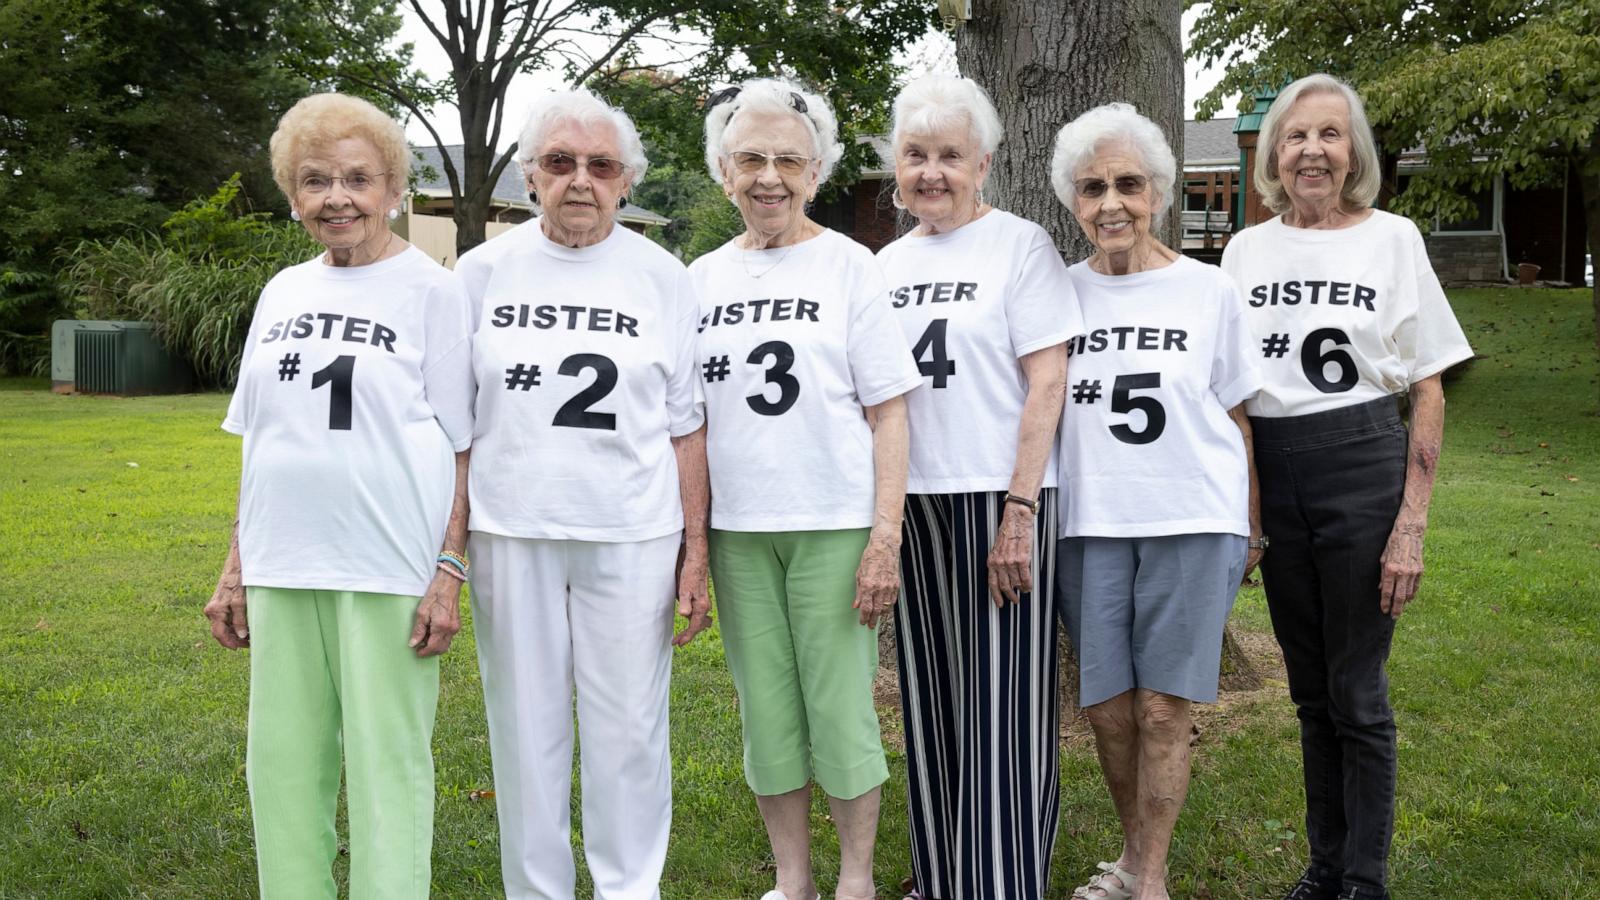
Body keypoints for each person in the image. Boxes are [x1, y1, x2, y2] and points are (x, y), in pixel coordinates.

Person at [203, 92, 475, 898]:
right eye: (315, 180)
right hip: (285, 560)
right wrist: (234, 567)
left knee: (388, 764)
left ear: (392, 187)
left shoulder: (433, 291)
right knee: (282, 765)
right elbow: (264, 445)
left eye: (358, 179)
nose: (337, 198)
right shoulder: (282, 292)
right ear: (292, 194)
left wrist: (449, 568)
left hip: (389, 562)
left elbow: (466, 450)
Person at [1220, 74, 1473, 900]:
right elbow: (1236, 402)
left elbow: (1429, 386)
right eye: (1295, 137)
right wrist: (1250, 518)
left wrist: (1411, 526)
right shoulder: (1244, 251)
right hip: (1277, 466)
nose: (1312, 152)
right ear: (1273, 154)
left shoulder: (1393, 239)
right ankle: (1323, 863)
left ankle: (1366, 877)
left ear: (1353, 150)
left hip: (1362, 460)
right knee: (1307, 692)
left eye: (1330, 135)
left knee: (1356, 689)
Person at [455, 87, 711, 900]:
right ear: (529, 176)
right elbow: (452, 427)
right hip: (512, 528)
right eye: (559, 162)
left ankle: (629, 888)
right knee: (525, 731)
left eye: (599, 165)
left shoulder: (664, 278)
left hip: (631, 532)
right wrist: (448, 551)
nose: (580, 181)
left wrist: (694, 550)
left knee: (629, 730)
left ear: (626, 180)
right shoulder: (477, 275)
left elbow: (686, 427)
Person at [688, 77, 921, 900]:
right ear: (723, 172)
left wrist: (883, 538)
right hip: (739, 531)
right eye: (750, 158)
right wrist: (692, 547)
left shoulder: (851, 267)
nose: (768, 177)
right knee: (769, 716)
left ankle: (854, 879)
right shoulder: (699, 279)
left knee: (840, 710)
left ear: (815, 172)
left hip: (832, 522)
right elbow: (689, 426)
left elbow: (891, 413)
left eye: (788, 159)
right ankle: (793, 882)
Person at [1048, 103, 1265, 900]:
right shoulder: (1055, 295)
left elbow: (1240, 418)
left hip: (1193, 520)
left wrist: (1253, 525)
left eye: (1129, 184)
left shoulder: (1209, 292)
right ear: (1073, 200)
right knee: (1106, 710)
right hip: (1088, 524)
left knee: (1164, 707)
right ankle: (1135, 856)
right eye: (1093, 186)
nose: (1112, 203)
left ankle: (1149, 880)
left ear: (1160, 193)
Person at [874, 74, 1082, 900]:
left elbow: (1048, 384)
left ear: (984, 163)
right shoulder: (883, 264)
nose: (932, 172)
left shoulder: (1021, 245)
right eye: (916, 155)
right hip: (913, 501)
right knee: (931, 701)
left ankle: (1000, 880)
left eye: (949, 156)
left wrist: (1020, 509)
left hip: (1001, 499)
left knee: (1007, 705)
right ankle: (941, 872)